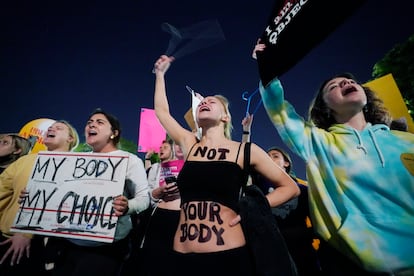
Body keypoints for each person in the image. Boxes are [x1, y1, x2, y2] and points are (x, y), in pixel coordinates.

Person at [254, 42, 414, 275]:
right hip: (357, 264)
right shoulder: (318, 143)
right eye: (333, 86)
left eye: (350, 81)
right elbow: (279, 110)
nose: (346, 83)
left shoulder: (406, 140)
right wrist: (267, 66)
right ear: (326, 108)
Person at [152, 54, 300, 275]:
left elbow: (291, 188)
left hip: (229, 259)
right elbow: (162, 113)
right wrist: (160, 75)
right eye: (202, 101)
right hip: (180, 259)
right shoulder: (189, 144)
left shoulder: (244, 150)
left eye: (213, 102)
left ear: (226, 117)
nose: (205, 102)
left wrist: (254, 209)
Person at [51, 108, 150, 276]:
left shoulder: (130, 161)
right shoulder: (75, 161)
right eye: (89, 122)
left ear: (114, 133)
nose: (91, 125)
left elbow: (144, 198)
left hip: (105, 249)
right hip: (68, 245)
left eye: (99, 122)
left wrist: (128, 206)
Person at [241, 114, 321, 275]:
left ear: (287, 163)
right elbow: (244, 159)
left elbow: (316, 224)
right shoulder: (258, 186)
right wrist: (246, 132)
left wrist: (298, 235)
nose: (269, 159)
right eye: (267, 156)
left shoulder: (303, 190)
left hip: (301, 253)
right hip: (269, 253)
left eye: (275, 156)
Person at [0, 120, 78, 275]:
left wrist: (25, 232)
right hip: (7, 239)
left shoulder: (77, 167)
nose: (51, 128)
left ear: (70, 139)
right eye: (50, 127)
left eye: (58, 128)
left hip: (48, 245)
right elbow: (2, 192)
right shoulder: (24, 161)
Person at [139, 139, 184, 276]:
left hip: (180, 217)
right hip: (158, 215)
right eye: (160, 147)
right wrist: (157, 193)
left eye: (165, 147)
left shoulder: (186, 166)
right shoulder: (155, 168)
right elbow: (147, 194)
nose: (161, 149)